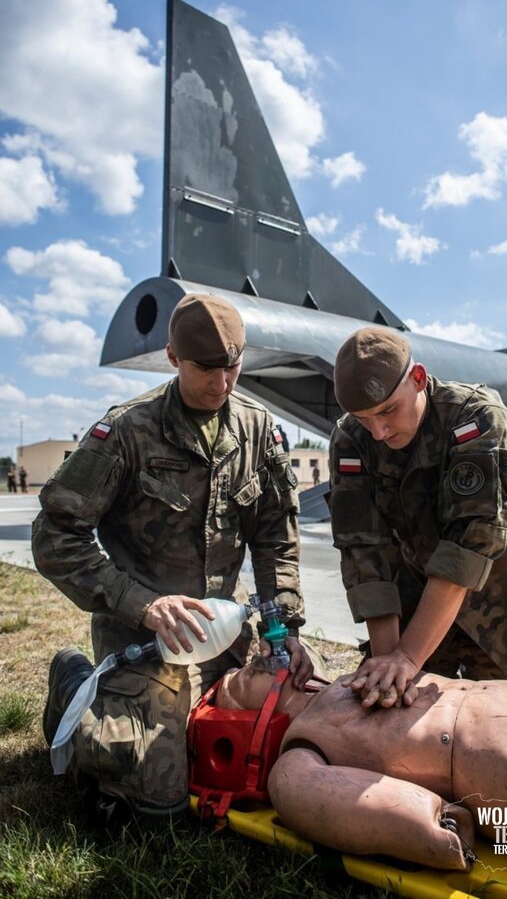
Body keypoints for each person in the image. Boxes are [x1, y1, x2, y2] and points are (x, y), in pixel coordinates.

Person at [32, 292, 312, 824]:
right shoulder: (127, 431)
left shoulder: (256, 430)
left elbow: (276, 534)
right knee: (157, 801)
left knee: (264, 754)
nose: (222, 383)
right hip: (141, 638)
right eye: (206, 369)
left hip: (222, 636)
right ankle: (72, 683)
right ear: (172, 357)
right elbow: (54, 534)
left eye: (233, 367)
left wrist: (285, 627)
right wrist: (143, 605)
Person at [329, 327, 507, 708]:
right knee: (387, 732)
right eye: (363, 417)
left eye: (388, 410)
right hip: (417, 617)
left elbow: (468, 547)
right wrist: (390, 663)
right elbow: (364, 551)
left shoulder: (475, 418)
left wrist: (406, 658)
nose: (378, 431)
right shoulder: (351, 439)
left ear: (418, 379)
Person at [214, 663, 507, 878]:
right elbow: (324, 797)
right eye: (240, 680)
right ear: (247, 720)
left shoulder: (344, 681)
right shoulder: (301, 750)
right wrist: (430, 823)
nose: (256, 663)